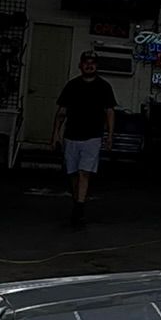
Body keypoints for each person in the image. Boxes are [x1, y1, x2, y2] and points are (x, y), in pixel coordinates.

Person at [52, 51, 116, 228]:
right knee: (73, 174)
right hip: (71, 136)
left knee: (84, 173)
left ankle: (79, 210)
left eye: (92, 63)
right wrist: (56, 134)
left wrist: (109, 135)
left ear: (96, 66)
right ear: (80, 65)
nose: (89, 66)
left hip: (93, 137)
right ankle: (77, 202)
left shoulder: (104, 87)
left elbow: (109, 112)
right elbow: (61, 112)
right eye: (86, 63)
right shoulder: (72, 86)